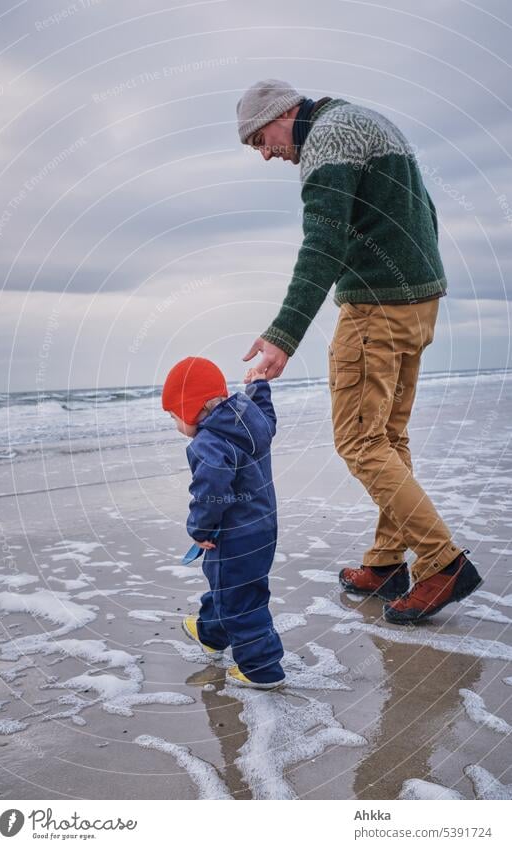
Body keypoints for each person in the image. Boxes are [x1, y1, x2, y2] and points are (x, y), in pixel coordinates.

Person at [236, 79, 482, 623]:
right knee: (388, 438)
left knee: (359, 441)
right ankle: (388, 561)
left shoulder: (327, 139)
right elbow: (425, 211)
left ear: (282, 114)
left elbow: (322, 242)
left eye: (260, 138)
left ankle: (441, 563)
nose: (265, 153)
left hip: (376, 308)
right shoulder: (364, 120)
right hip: (417, 301)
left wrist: (283, 334)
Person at [161, 355, 285, 688]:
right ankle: (211, 633)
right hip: (264, 526)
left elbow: (211, 488)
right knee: (232, 586)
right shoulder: (249, 420)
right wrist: (259, 386)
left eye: (174, 416)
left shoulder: (208, 444)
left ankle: (261, 668)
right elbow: (267, 418)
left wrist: (199, 529)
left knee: (240, 598)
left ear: (191, 408)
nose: (175, 425)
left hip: (234, 535)